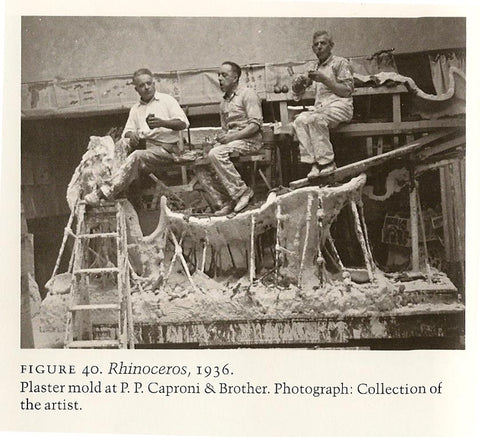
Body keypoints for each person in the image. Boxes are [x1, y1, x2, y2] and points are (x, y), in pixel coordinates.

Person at [84, 68, 189, 205]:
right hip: (147, 149)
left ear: (154, 83)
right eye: (141, 85)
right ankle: (114, 191)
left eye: (149, 83)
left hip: (167, 151)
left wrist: (163, 123)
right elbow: (126, 132)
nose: (146, 87)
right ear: (136, 89)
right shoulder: (136, 109)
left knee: (136, 156)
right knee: (121, 146)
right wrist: (131, 134)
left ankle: (104, 192)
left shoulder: (167, 100)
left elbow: (183, 123)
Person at [204, 61, 264, 215]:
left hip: (251, 141)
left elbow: (255, 125)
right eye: (218, 75)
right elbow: (225, 129)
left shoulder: (247, 94)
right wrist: (220, 138)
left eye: (224, 75)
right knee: (203, 158)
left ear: (235, 77)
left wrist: (231, 138)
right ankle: (227, 201)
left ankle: (242, 192)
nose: (219, 78)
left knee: (216, 154)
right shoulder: (223, 102)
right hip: (234, 142)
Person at [292, 30, 354, 178]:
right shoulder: (312, 67)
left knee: (315, 119)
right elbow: (297, 95)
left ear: (331, 46)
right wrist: (299, 85)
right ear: (313, 48)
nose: (319, 47)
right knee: (299, 121)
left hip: (341, 106)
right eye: (316, 44)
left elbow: (347, 91)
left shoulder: (340, 63)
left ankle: (327, 163)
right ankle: (313, 163)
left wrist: (325, 79)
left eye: (323, 43)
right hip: (322, 108)